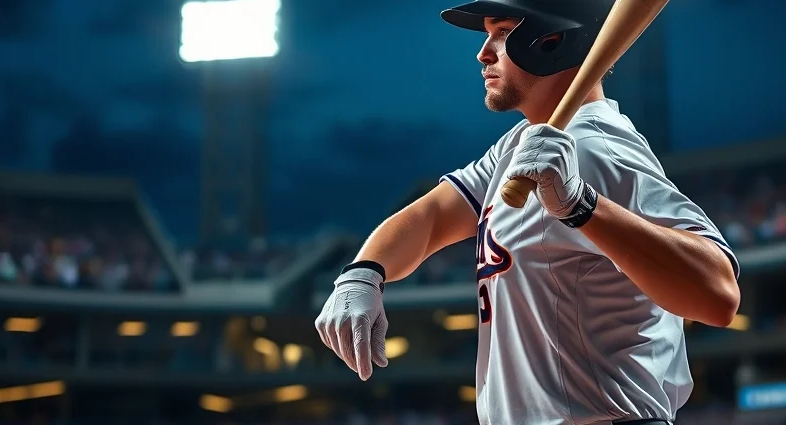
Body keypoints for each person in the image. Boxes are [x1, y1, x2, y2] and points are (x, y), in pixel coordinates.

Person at [314, 0, 741, 424]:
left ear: (552, 39)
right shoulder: (523, 146)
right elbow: (433, 217)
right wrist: (364, 272)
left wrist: (583, 206)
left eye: (501, 32)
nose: (483, 52)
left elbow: (718, 295)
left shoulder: (596, 147)